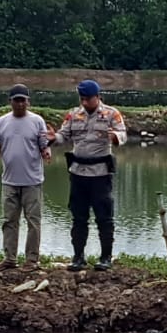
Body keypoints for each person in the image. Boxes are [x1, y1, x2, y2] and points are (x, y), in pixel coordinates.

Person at [54, 79, 127, 271]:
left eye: (88, 99)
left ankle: (106, 258)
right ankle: (78, 257)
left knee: (104, 217)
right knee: (78, 217)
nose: (84, 103)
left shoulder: (111, 113)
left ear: (98, 97)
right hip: (78, 173)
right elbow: (63, 135)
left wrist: (114, 137)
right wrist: (53, 138)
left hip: (100, 174)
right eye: (82, 99)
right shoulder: (73, 114)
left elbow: (123, 134)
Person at [0, 84, 52, 271]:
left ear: (28, 102)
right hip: (9, 181)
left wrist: (47, 153)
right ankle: (9, 258)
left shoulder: (38, 121)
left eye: (23, 100)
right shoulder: (1, 122)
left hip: (32, 181)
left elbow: (44, 145)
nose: (20, 103)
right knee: (9, 221)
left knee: (33, 221)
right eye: (17, 100)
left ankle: (32, 260)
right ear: (10, 102)